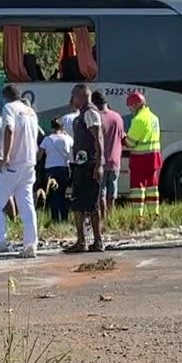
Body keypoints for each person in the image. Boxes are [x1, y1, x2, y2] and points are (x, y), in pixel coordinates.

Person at [0, 85, 40, 257]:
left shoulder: (9, 108)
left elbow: (9, 130)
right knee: (26, 204)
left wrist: (5, 157)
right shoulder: (30, 111)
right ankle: (30, 245)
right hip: (29, 164)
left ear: (5, 97)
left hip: (13, 164)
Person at [65, 85, 106, 252]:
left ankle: (96, 241)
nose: (71, 100)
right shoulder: (81, 115)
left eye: (73, 96)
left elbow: (98, 139)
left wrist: (99, 164)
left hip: (89, 165)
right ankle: (82, 241)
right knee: (78, 204)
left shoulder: (90, 113)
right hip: (81, 165)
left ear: (81, 96)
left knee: (92, 205)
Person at [123, 92, 162, 217]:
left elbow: (130, 143)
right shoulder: (154, 117)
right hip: (154, 157)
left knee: (137, 188)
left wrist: (123, 137)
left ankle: (138, 216)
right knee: (152, 187)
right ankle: (154, 213)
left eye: (130, 106)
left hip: (140, 158)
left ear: (135, 105)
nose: (130, 109)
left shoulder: (138, 120)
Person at [91, 90, 126, 224]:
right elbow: (123, 137)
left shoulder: (97, 118)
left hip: (101, 161)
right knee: (112, 192)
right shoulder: (117, 117)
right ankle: (112, 218)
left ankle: (103, 219)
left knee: (101, 194)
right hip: (115, 160)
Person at [39, 113, 73, 221]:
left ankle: (54, 219)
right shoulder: (68, 139)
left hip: (50, 169)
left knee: (53, 195)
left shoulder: (47, 139)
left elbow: (39, 156)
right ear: (62, 126)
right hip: (64, 168)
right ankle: (64, 218)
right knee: (63, 194)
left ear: (52, 127)